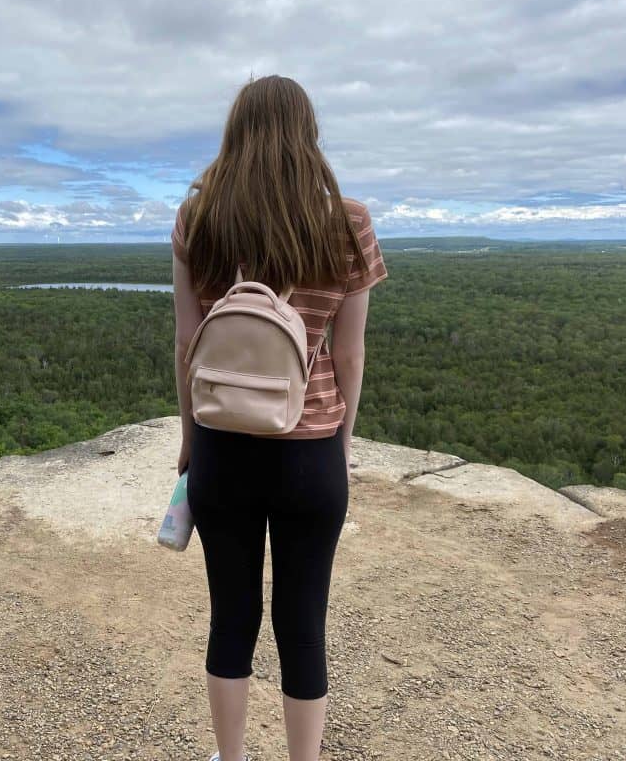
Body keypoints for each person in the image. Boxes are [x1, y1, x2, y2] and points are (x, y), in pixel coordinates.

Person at [171, 74, 388, 761]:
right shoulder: (347, 221)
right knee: (303, 623)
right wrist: (343, 441)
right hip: (312, 451)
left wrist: (188, 440)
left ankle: (230, 759)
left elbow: (186, 343)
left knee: (231, 617)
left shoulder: (198, 218)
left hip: (220, 447)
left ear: (235, 134)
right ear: (307, 135)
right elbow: (348, 354)